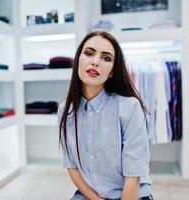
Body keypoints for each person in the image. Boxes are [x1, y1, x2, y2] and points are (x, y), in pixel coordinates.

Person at [58, 31, 153, 200]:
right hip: (90, 194)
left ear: (112, 72)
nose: (95, 62)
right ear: (78, 60)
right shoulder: (65, 111)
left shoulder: (129, 107)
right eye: (89, 53)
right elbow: (72, 167)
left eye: (106, 58)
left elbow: (134, 178)